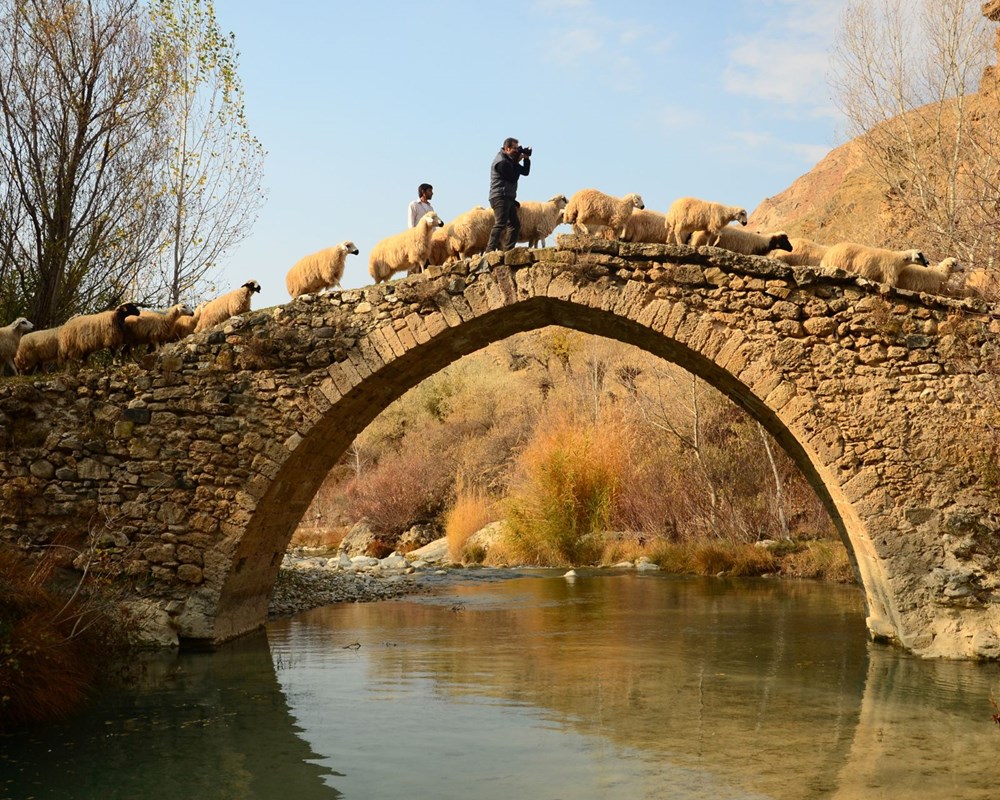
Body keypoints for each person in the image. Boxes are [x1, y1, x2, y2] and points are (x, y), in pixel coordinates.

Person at [485, 137, 531, 252]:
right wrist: (516, 162)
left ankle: (508, 251)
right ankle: (489, 251)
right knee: (500, 224)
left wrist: (526, 158)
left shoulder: (509, 160)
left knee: (515, 225)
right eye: (515, 148)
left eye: (517, 148)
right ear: (507, 148)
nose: (516, 151)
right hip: (500, 196)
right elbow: (513, 177)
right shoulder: (502, 162)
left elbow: (525, 172)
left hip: (507, 197)